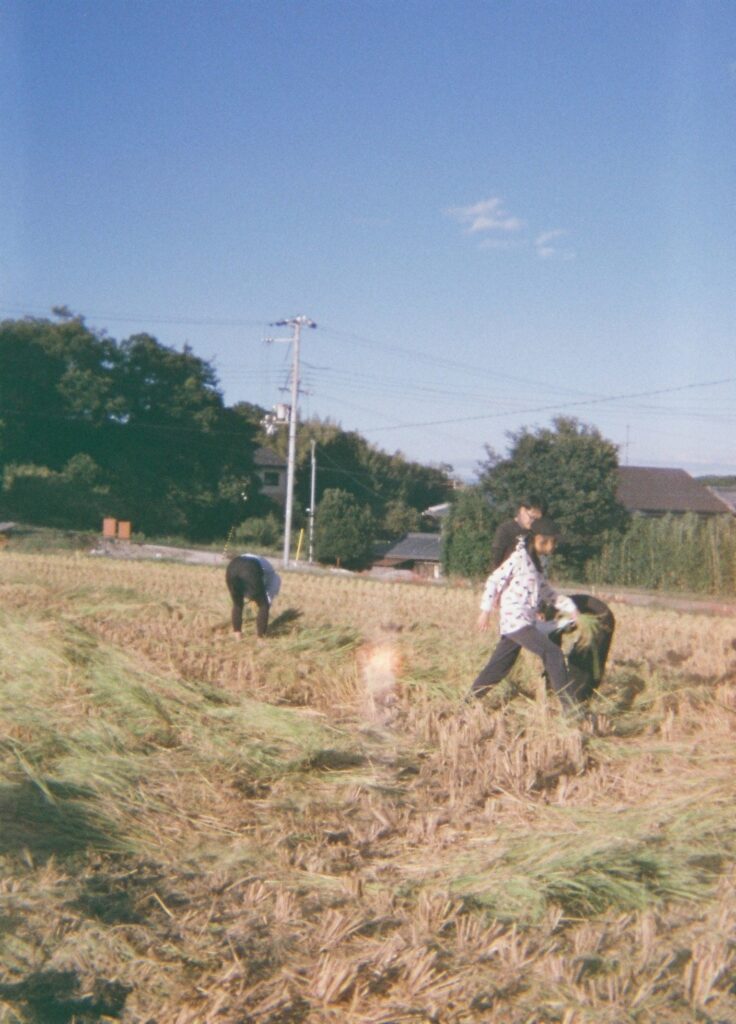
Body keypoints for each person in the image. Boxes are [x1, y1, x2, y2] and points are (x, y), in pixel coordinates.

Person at [469, 516, 579, 711]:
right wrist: (484, 611)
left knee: (499, 667)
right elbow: (494, 580)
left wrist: (571, 608)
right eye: (554, 541)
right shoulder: (519, 558)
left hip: (523, 622)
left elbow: (548, 593)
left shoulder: (537, 565)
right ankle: (570, 709)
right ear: (541, 540)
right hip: (516, 620)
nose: (555, 545)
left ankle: (468, 702)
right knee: (552, 653)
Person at [225, 553, 281, 639]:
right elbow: (266, 601)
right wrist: (260, 602)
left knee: (237, 604)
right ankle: (260, 638)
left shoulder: (266, 567)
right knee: (264, 605)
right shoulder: (275, 579)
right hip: (249, 568)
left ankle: (237, 636)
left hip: (232, 566)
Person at [490, 496, 545, 569]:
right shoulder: (505, 530)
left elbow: (537, 561)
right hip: (507, 576)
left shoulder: (534, 534)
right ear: (522, 510)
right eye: (532, 517)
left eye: (537, 520)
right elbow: (496, 557)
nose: (534, 522)